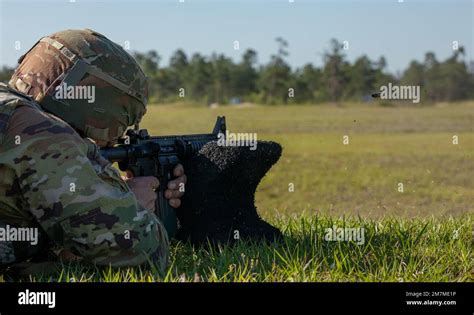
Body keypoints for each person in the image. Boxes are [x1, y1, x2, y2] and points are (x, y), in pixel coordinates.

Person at [0, 29, 186, 271]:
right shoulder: (42, 132)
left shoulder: (13, 114)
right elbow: (144, 254)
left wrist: (95, 191)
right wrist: (127, 203)